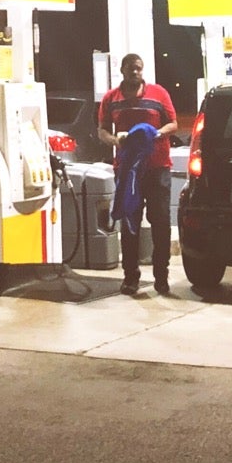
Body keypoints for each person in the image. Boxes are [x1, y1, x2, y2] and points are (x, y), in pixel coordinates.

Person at [98, 53, 178, 295]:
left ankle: (161, 277)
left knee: (160, 223)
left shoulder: (159, 94)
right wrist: (115, 141)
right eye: (131, 68)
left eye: (139, 68)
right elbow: (102, 130)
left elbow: (173, 123)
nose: (135, 72)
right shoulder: (111, 98)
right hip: (127, 171)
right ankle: (130, 277)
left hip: (157, 169)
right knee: (129, 223)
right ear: (122, 70)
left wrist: (156, 134)